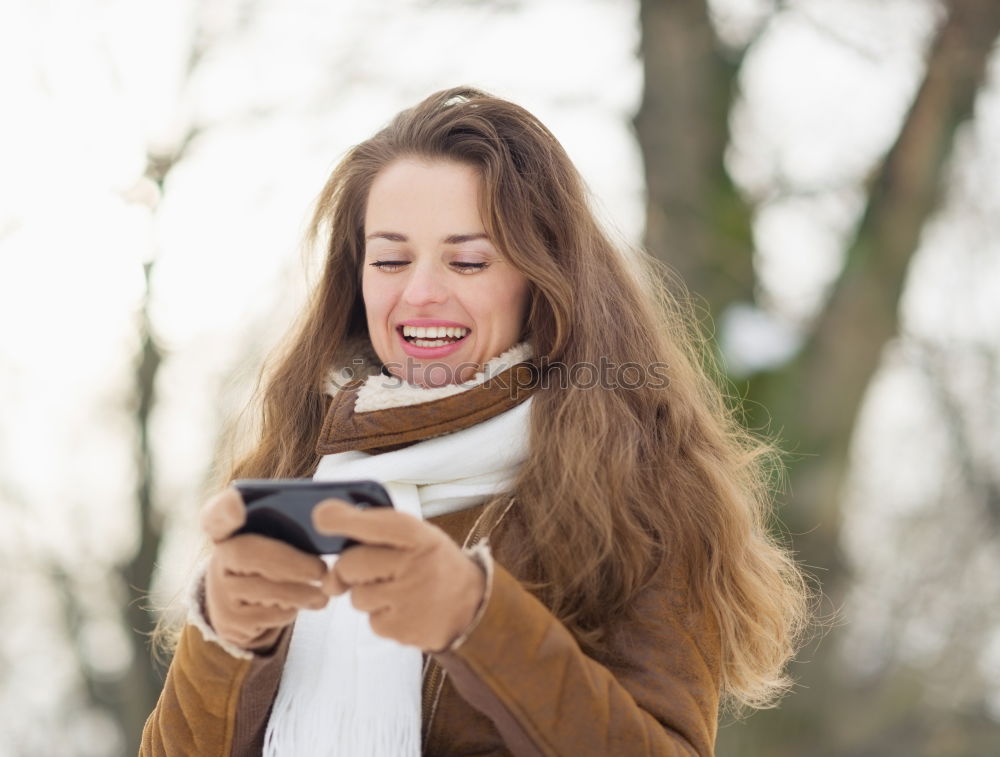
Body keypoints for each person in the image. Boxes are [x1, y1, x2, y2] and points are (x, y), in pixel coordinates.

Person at [141, 87, 808, 756]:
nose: (422, 292)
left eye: (467, 260)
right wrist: (223, 634)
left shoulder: (640, 488)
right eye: (391, 259)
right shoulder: (296, 469)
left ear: (543, 277)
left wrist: (479, 620)